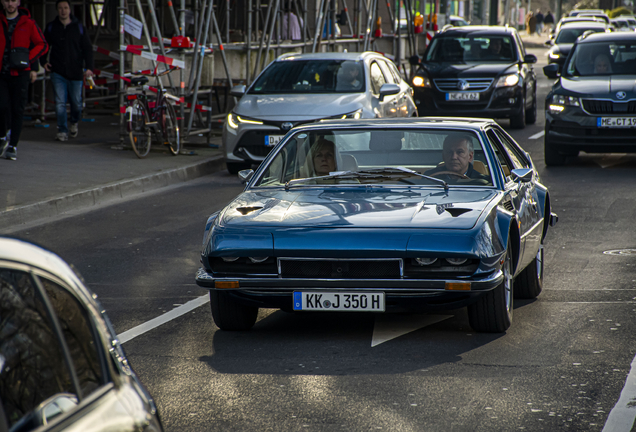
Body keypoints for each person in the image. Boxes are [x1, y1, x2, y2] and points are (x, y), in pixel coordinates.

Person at [0, 0, 48, 161]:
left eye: (13, 0)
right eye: (7, 0)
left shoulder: (28, 23)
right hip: (1, 73)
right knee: (2, 105)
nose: (10, 4)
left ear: (18, 2)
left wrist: (29, 60)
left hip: (20, 73)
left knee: (18, 109)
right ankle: (2, 136)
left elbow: (42, 44)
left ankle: (13, 145)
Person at [42, 0, 94, 142]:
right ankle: (62, 130)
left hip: (76, 71)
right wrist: (43, 62)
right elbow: (43, 45)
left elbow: (87, 48)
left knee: (76, 103)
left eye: (65, 8)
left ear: (70, 9)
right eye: (60, 8)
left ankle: (74, 122)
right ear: (57, 10)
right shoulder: (52, 27)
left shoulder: (78, 27)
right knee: (60, 102)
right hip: (57, 70)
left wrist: (89, 67)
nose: (63, 11)